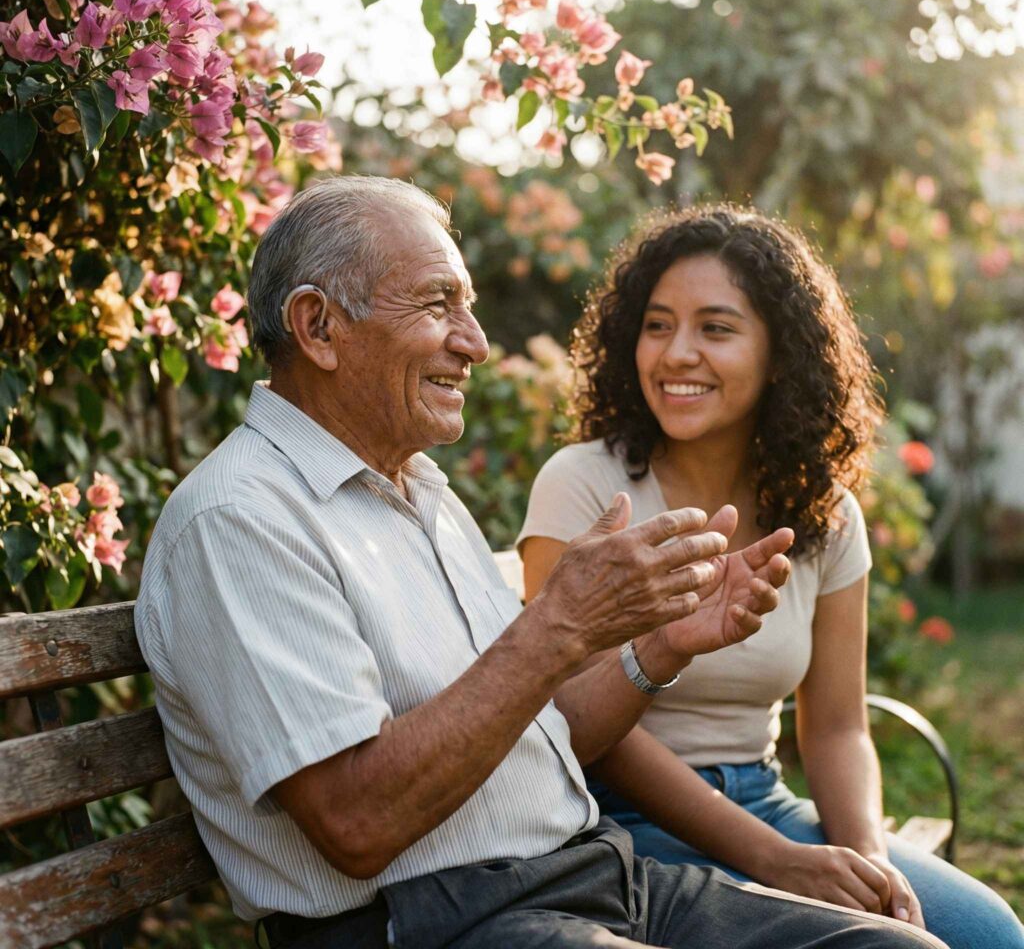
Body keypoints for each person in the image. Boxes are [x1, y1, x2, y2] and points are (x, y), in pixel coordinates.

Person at [135, 177, 948, 949]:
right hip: (433, 923)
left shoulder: (415, 493)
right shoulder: (241, 521)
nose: (476, 344)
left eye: (471, 308)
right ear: (317, 328)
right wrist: (559, 626)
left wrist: (657, 648)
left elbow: (550, 731)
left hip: (592, 878)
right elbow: (357, 822)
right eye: (438, 305)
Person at [519, 204, 1024, 949]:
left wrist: (869, 863)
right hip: (614, 820)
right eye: (657, 326)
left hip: (766, 798)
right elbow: (575, 722)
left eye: (715, 329)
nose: (675, 353)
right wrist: (773, 860)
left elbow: (840, 726)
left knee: (987, 935)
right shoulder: (585, 487)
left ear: (780, 353)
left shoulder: (826, 511)